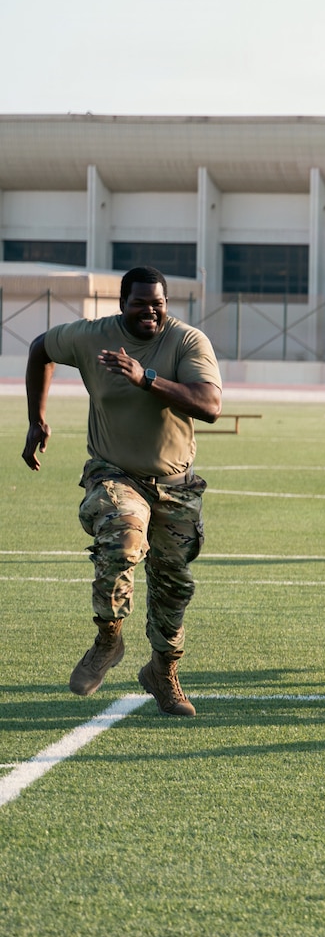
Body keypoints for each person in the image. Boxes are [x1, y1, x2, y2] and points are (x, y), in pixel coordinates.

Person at [22, 267, 221, 716]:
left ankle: (162, 671)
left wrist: (145, 377)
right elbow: (40, 349)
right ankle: (108, 640)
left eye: (158, 303)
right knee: (124, 538)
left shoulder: (188, 342)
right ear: (122, 304)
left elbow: (209, 405)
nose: (150, 311)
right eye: (140, 303)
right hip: (115, 474)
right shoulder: (91, 337)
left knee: (173, 587)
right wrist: (36, 419)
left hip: (175, 485)